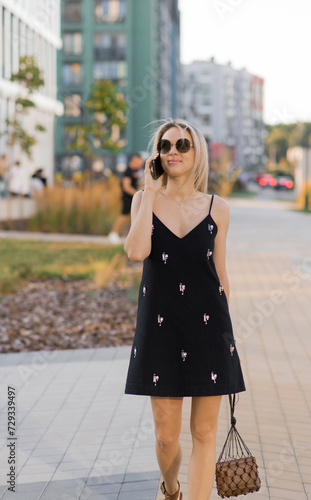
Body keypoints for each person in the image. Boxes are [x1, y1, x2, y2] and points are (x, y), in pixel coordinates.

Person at [123, 118, 246, 500]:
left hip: (208, 328)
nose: (173, 151)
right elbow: (136, 251)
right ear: (158, 155)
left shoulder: (217, 209)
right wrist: (148, 190)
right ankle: (171, 487)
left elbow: (221, 274)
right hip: (160, 328)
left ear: (197, 153)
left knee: (205, 433)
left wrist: (228, 337)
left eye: (182, 145)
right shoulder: (144, 201)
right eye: (165, 145)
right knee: (165, 437)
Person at [108, 153, 145, 243]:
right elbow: (126, 186)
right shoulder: (128, 171)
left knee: (131, 216)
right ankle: (113, 233)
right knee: (123, 215)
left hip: (133, 197)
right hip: (128, 197)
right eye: (139, 162)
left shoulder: (135, 171)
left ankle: (125, 233)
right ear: (134, 161)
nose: (141, 165)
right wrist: (137, 194)